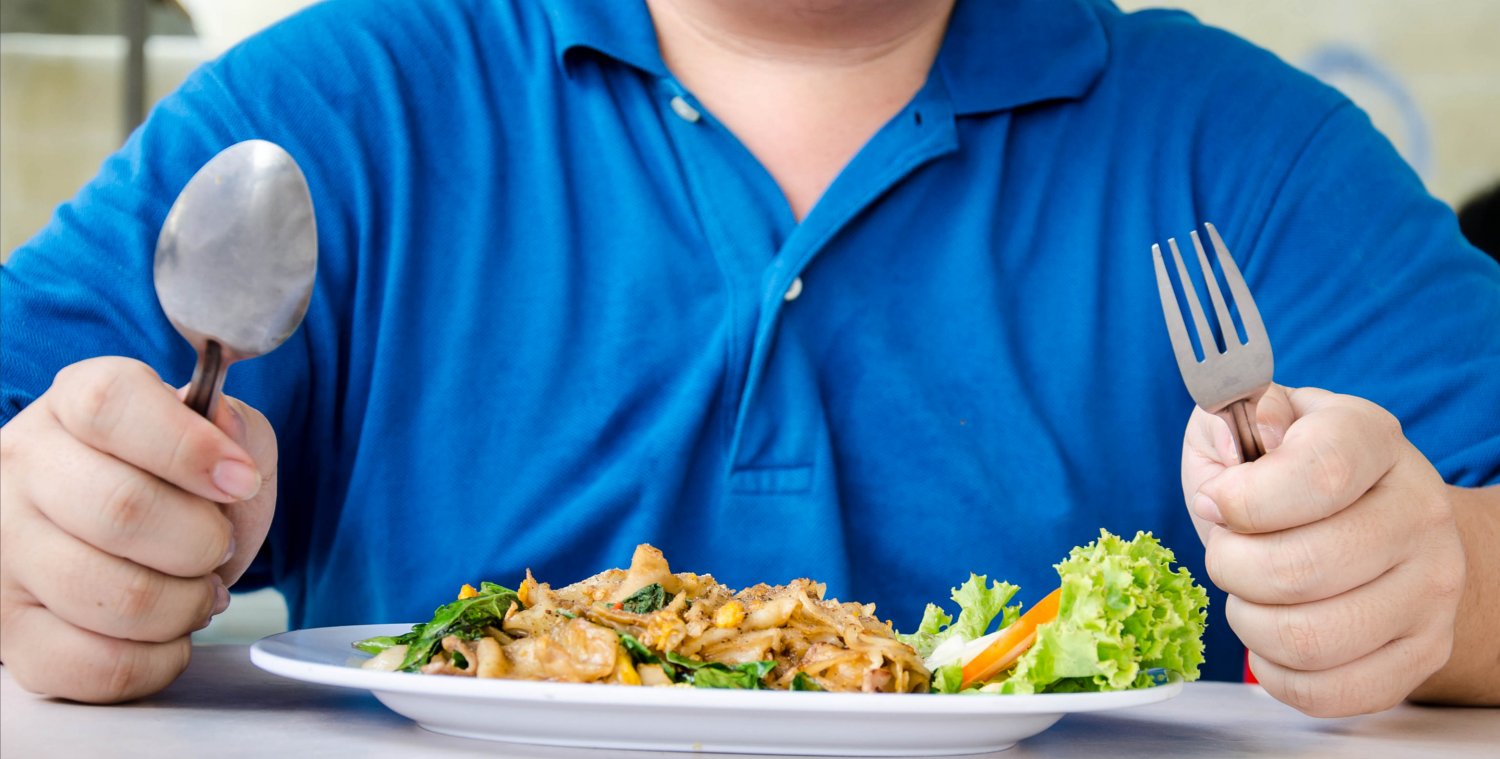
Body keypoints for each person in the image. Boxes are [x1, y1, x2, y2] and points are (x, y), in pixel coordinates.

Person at [2, 0, 1497, 715]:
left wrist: (1436, 583)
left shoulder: (1252, 147)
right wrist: (51, 542)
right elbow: (37, 454)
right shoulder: (343, 106)